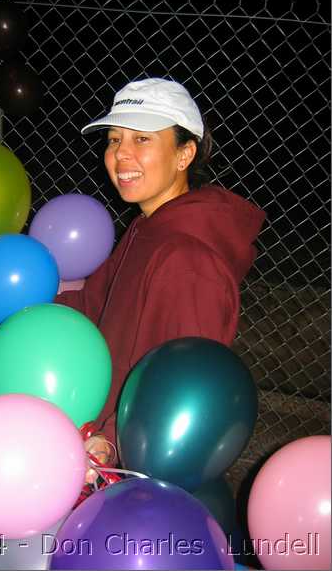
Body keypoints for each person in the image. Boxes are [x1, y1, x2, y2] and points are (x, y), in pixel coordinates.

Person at [54, 77, 266, 476]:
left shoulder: (188, 260)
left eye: (142, 140)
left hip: (126, 464)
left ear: (185, 154)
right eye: (115, 139)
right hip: (90, 430)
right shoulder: (146, 227)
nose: (121, 156)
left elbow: (178, 390)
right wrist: (31, 308)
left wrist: (111, 443)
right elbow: (95, 302)